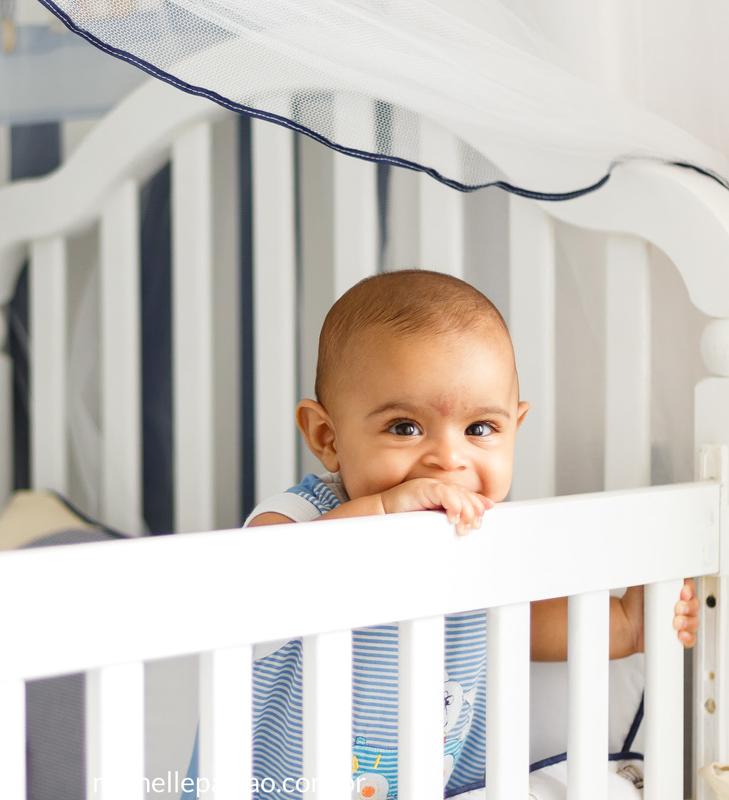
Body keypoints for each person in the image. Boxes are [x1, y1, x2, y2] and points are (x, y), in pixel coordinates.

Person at [245, 269, 700, 798]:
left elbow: (538, 625)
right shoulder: (302, 516)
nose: (449, 458)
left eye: (480, 429)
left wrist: (631, 622)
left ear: (514, 429)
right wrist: (386, 510)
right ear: (327, 436)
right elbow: (263, 576)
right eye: (404, 427)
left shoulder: (481, 538)